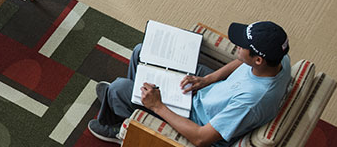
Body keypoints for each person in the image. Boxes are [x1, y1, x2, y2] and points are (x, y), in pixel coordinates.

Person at [89, 22, 293, 147]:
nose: (237, 46)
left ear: (258, 59)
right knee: (142, 51)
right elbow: (241, 61)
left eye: (243, 46)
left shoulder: (251, 101)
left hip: (197, 119)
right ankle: (127, 103)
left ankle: (120, 125)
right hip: (211, 92)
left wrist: (157, 106)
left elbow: (201, 138)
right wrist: (209, 79)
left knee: (118, 88)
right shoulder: (279, 60)